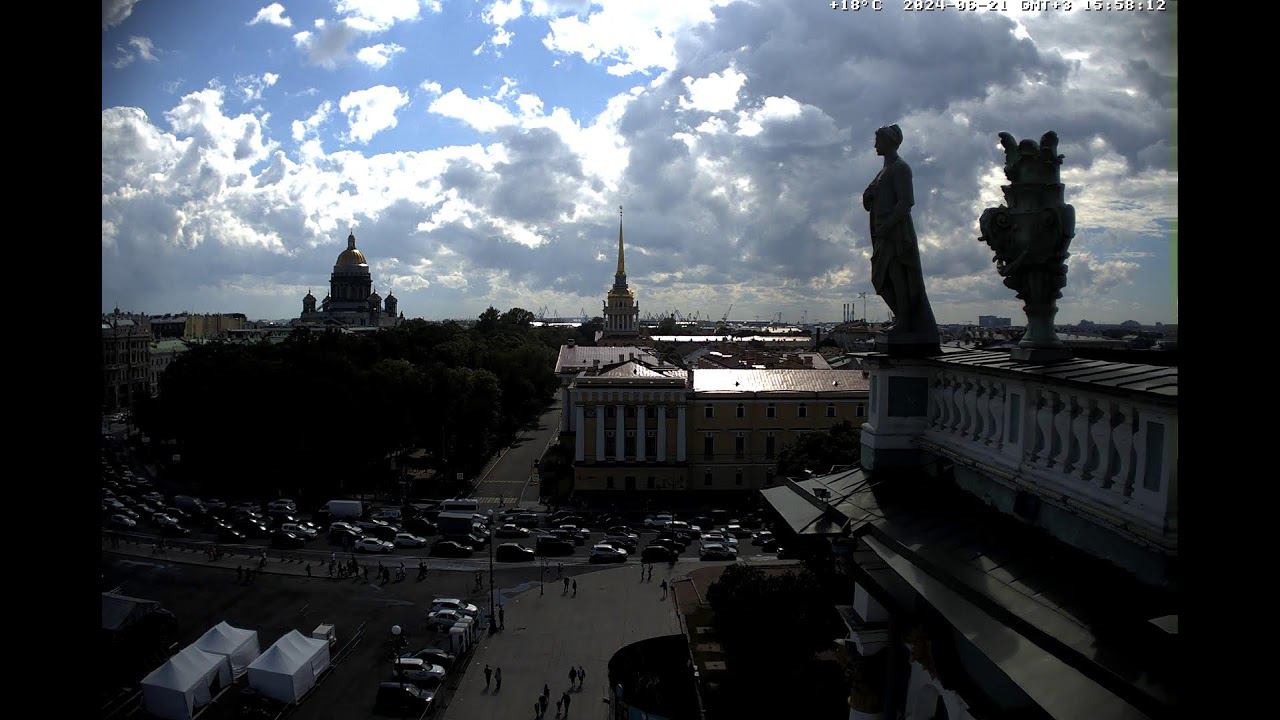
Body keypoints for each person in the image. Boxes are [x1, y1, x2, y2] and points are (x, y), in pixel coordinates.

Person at [861, 123, 940, 347]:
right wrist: (869, 195)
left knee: (897, 275)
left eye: (878, 140)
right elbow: (869, 200)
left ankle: (905, 321)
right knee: (882, 277)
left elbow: (906, 202)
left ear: (888, 142)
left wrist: (887, 224)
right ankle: (903, 318)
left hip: (896, 233)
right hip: (882, 234)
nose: (875, 144)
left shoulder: (900, 168)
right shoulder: (883, 170)